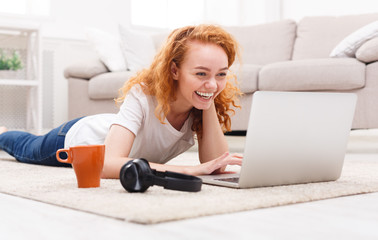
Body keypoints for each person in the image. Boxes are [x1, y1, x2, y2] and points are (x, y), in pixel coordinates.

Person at [0, 24, 243, 179]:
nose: (213, 83)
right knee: (27, 148)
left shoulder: (200, 103)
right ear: (174, 70)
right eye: (201, 74)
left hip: (108, 128)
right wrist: (187, 170)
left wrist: (207, 97)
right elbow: (107, 165)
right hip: (78, 138)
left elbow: (217, 164)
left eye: (221, 74)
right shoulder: (143, 94)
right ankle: (2, 133)